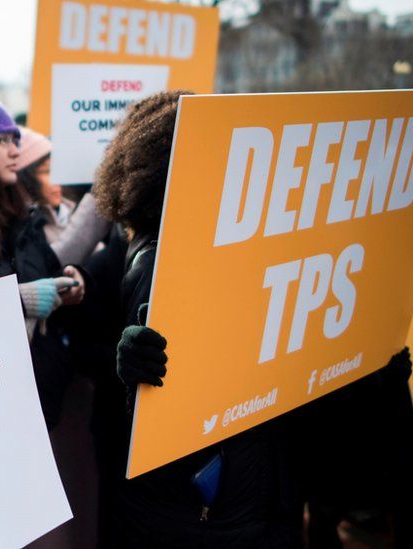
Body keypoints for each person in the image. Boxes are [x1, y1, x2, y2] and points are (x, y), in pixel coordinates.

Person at [91, 91, 303, 547]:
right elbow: (144, 410)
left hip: (246, 498)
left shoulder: (250, 244)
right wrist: (129, 369)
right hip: (197, 511)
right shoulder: (158, 259)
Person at [0, 94, 85, 429]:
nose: (15, 150)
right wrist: (21, 299)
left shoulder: (22, 219)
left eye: (15, 139)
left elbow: (45, 272)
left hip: (44, 392)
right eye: (2, 140)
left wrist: (71, 279)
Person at [15, 126, 112, 266]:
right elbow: (57, 260)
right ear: (26, 178)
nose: (57, 179)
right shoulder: (27, 224)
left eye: (58, 170)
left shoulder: (67, 209)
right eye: (47, 171)